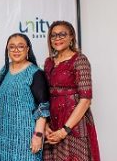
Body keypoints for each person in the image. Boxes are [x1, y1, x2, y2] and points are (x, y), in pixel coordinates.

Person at [43, 21, 100, 161]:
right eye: (53, 35)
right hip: (53, 122)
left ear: (71, 37)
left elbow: (85, 100)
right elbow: (44, 95)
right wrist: (45, 124)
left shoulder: (79, 60)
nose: (57, 38)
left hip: (73, 124)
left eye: (62, 34)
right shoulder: (48, 62)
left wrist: (64, 130)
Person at [0, 33, 50, 161]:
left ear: (27, 49)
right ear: (7, 50)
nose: (16, 50)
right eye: (12, 47)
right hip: (3, 135)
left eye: (20, 46)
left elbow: (43, 107)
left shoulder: (35, 73)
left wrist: (38, 135)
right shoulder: (4, 71)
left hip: (25, 136)